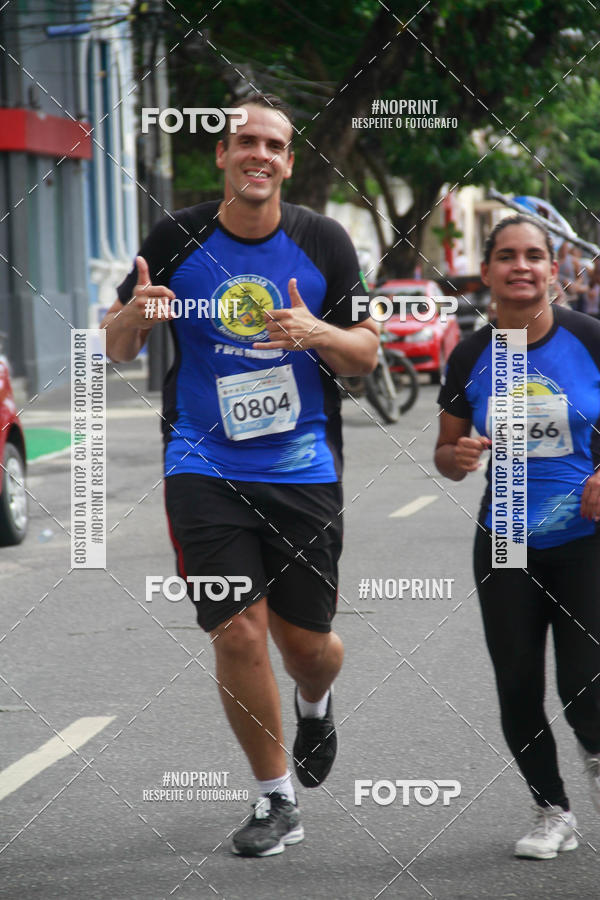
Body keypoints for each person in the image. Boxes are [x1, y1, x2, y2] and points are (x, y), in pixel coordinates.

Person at [101, 93, 378, 857]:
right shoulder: (177, 237)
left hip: (302, 468)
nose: (261, 154)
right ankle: (274, 799)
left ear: (289, 163)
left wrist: (317, 331)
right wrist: (136, 314)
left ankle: (316, 701)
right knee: (236, 630)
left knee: (308, 644)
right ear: (221, 155)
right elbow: (116, 346)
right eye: (246, 141)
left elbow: (367, 354)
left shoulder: (324, 243)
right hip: (202, 464)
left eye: (276, 145)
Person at [434, 214, 600, 859]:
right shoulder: (473, 354)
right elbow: (445, 454)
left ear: (553, 270)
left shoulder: (590, 338)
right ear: (488, 272)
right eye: (508, 255)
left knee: (585, 686)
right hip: (505, 534)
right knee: (518, 683)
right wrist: (463, 453)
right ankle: (551, 809)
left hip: (585, 536)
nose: (522, 266)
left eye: (535, 255)